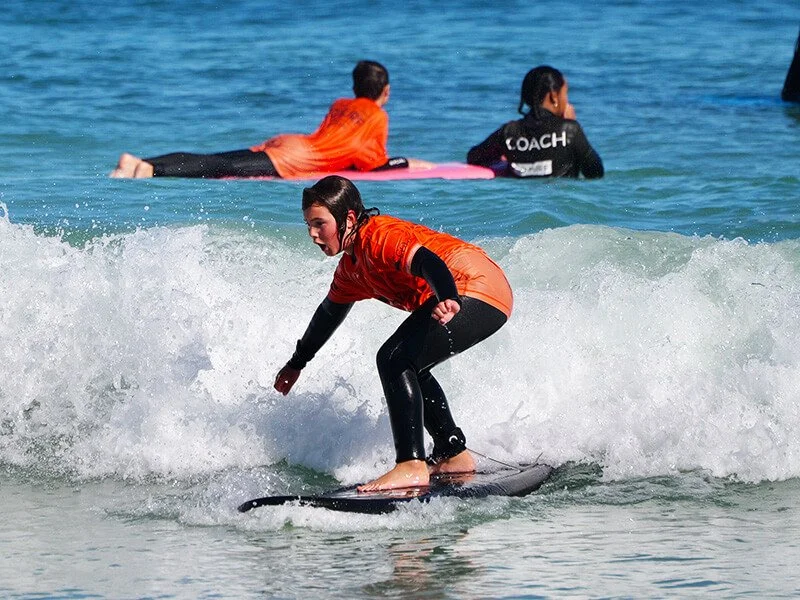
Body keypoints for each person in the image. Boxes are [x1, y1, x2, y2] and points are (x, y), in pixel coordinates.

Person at [273, 175, 513, 491]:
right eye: (308, 226)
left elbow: (429, 261)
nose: (313, 234)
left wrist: (448, 296)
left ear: (347, 218)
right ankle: (453, 454)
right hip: (473, 291)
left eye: (320, 224)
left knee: (394, 358)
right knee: (411, 365)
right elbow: (328, 315)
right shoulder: (352, 269)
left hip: (473, 286)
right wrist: (296, 363)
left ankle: (411, 465)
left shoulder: (379, 236)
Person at [110, 61, 433, 179]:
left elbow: (344, 144)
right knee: (222, 168)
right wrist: (410, 164)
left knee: (218, 158)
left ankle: (139, 161)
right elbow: (372, 164)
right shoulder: (378, 115)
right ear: (386, 92)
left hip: (291, 142)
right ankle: (151, 170)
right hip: (296, 157)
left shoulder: (341, 103)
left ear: (354, 87)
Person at [466, 65, 604, 179]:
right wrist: (569, 123)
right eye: (565, 93)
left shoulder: (508, 132)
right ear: (554, 96)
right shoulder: (569, 130)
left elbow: (473, 157)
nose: (566, 100)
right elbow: (595, 173)